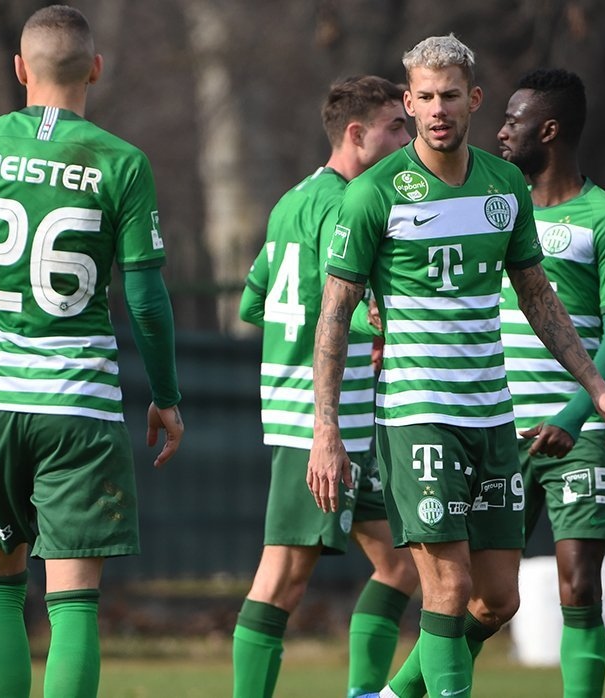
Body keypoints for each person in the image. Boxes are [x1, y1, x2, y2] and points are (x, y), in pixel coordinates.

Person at [308, 35, 605, 698]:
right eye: (424, 97)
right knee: (449, 586)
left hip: (493, 419)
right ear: (408, 100)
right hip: (418, 415)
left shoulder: (504, 185)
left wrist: (596, 388)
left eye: (450, 96)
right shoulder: (374, 194)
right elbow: (335, 317)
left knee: (497, 601)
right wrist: (327, 430)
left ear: (473, 100)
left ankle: (395, 694)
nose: (437, 109)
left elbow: (538, 298)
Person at [0, 6, 185, 697]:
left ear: (20, 70)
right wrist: (165, 396)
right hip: (76, 402)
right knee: (73, 598)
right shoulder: (123, 163)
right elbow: (145, 299)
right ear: (96, 70)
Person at [231, 75, 419, 698]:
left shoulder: (293, 199)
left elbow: (255, 301)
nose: (408, 135)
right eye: (396, 125)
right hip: (317, 418)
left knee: (400, 565)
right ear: (357, 134)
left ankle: (365, 692)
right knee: (283, 575)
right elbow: (345, 310)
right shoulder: (350, 202)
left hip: (346, 416)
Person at [496, 68, 605, 698]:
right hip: (495, 427)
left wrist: (576, 413)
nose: (501, 132)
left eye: (513, 120)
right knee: (482, 600)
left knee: (580, 585)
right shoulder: (497, 209)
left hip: (576, 431)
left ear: (548, 130)